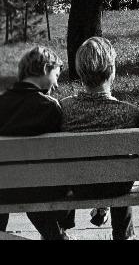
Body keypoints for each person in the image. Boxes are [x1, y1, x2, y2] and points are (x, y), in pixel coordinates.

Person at [60, 37, 139, 240]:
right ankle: (123, 236)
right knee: (121, 169)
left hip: (77, 186)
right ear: (112, 71)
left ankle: (62, 229)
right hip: (116, 187)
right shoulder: (128, 113)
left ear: (80, 72)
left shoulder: (64, 109)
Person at [0, 46, 74, 240]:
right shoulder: (49, 107)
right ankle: (57, 235)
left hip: (4, 188)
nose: (56, 84)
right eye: (56, 76)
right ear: (44, 70)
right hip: (41, 190)